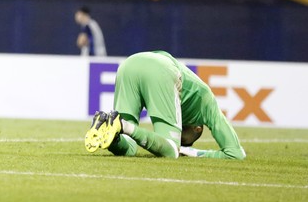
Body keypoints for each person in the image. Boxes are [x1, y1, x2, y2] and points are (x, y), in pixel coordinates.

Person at [84, 51, 246, 159]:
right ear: (198, 128)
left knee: (128, 144)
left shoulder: (196, 94)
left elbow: (132, 148)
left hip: (129, 64)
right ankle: (122, 125)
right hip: (161, 70)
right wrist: (190, 151)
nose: (184, 142)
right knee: (171, 151)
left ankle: (110, 128)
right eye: (187, 141)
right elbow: (236, 154)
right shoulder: (208, 102)